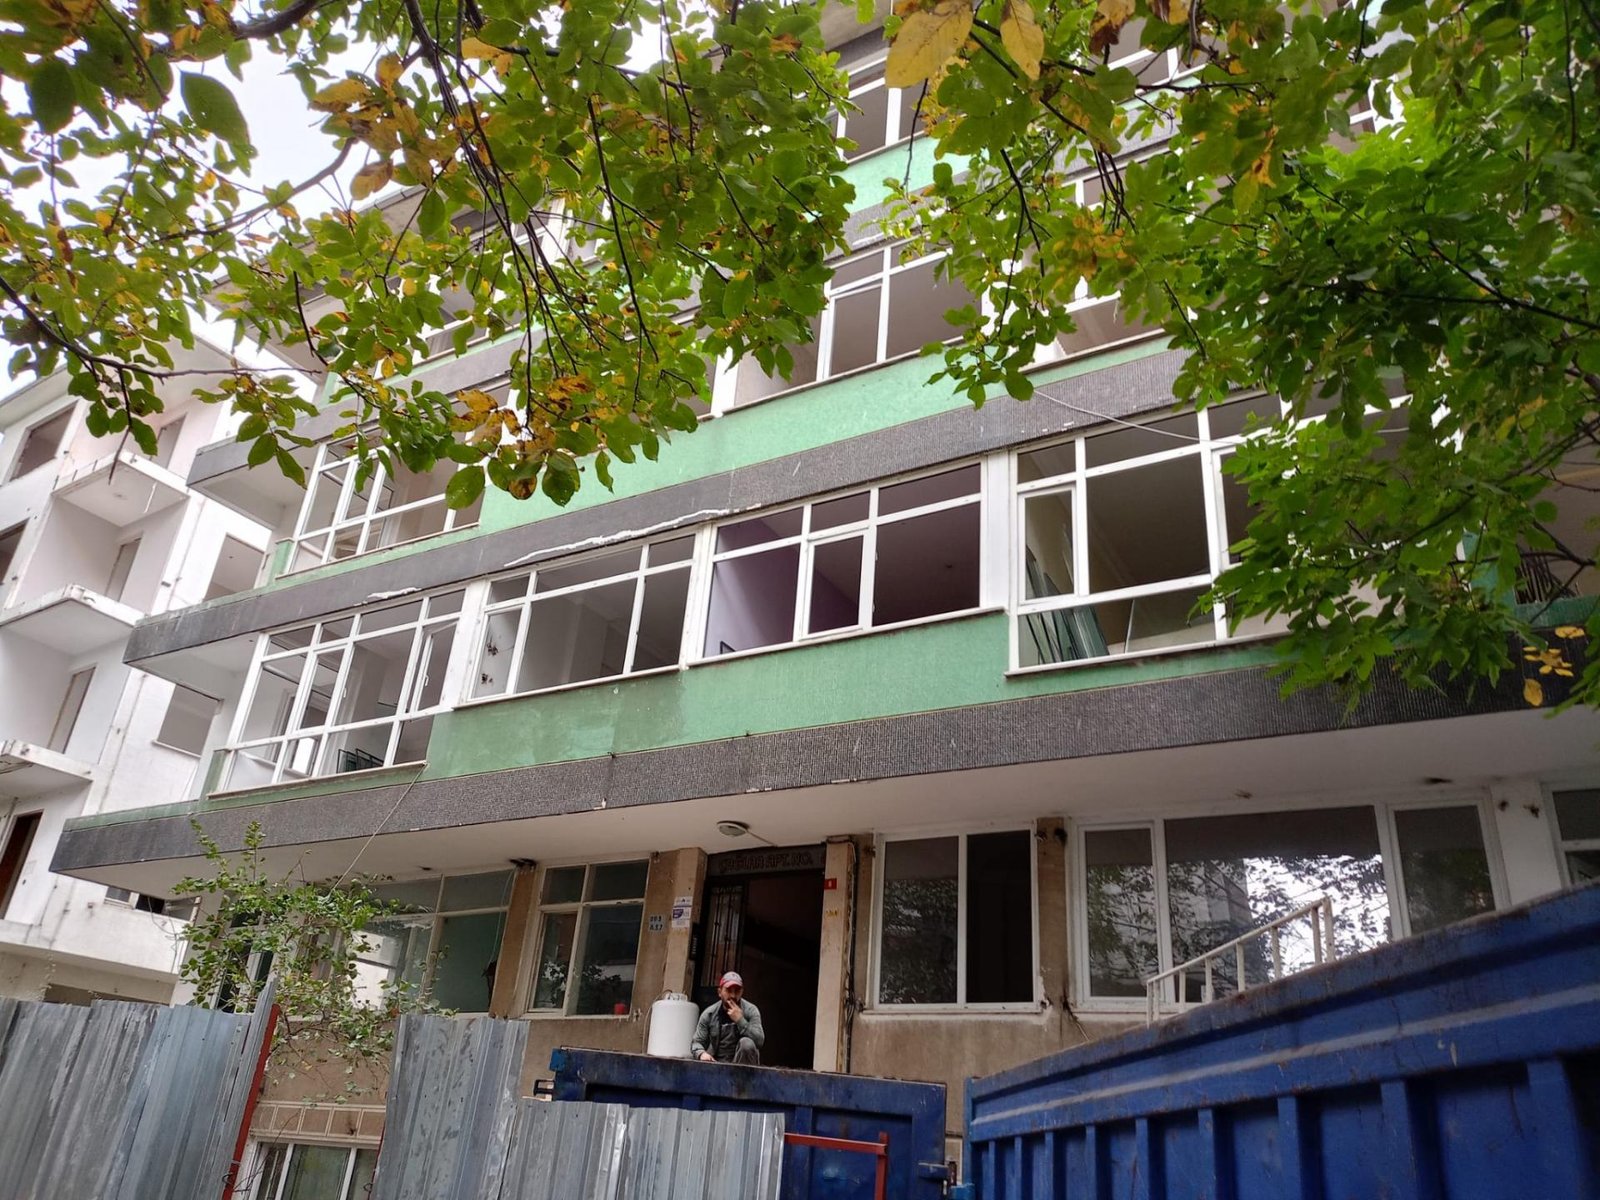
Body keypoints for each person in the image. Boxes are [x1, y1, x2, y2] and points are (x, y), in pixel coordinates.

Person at [690, 971, 764, 1065]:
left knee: (747, 1043)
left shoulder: (751, 1010)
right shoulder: (709, 1014)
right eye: (728, 990)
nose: (733, 995)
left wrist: (740, 1021)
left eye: (737, 991)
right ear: (720, 992)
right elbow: (697, 1042)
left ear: (742, 992)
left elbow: (759, 1040)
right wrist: (701, 1053)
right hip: (717, 1064)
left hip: (742, 1066)